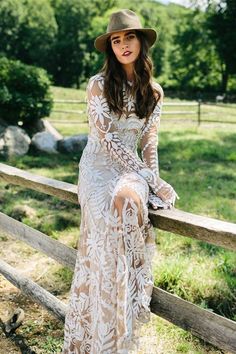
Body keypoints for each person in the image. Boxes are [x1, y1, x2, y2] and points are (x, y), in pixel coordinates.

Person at [62, 9, 178, 354]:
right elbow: (107, 140)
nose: (123, 45)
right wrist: (150, 178)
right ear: (110, 47)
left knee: (127, 200)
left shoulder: (154, 92)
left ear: (141, 42)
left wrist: (150, 178)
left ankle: (123, 318)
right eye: (116, 40)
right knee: (105, 223)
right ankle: (96, 335)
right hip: (98, 166)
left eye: (129, 37)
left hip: (131, 170)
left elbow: (149, 143)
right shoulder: (98, 85)